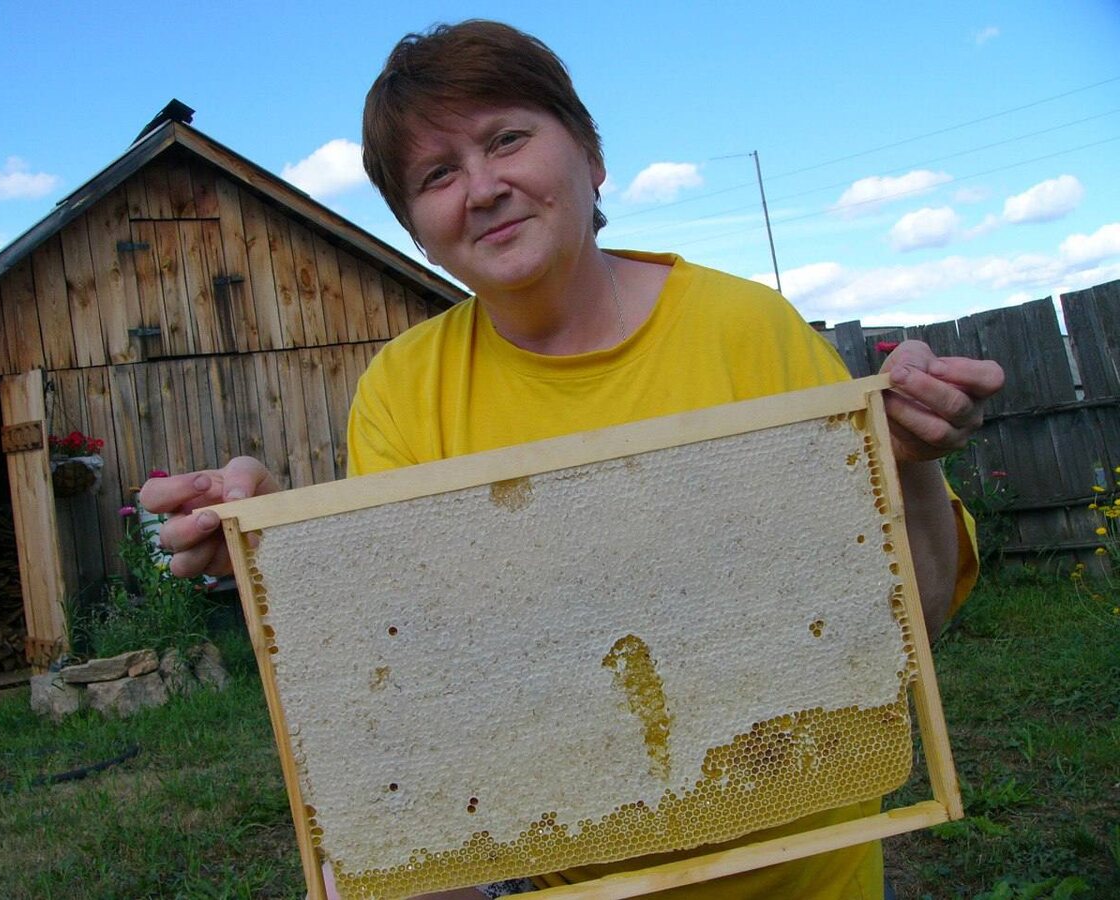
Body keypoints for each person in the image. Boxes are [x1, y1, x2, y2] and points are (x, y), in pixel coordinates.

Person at [141, 20, 1004, 900]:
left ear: (591, 156)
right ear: (417, 233)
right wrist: (281, 553)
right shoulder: (403, 390)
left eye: (506, 139)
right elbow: (417, 694)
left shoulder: (747, 331)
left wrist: (909, 456)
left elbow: (917, 617)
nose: (483, 189)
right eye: (437, 175)